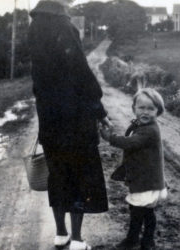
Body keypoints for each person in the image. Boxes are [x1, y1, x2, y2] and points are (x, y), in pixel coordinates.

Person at [28, 0, 112, 249]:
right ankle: (76, 239)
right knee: (80, 177)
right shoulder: (63, 24)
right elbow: (80, 72)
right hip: (75, 119)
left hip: (50, 117)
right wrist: (99, 110)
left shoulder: (35, 25)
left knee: (58, 176)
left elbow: (38, 77)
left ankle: (61, 234)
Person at [100, 88, 168, 250]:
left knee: (139, 211)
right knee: (144, 210)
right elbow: (131, 138)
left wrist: (110, 137)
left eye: (151, 109)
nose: (145, 112)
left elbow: (130, 143)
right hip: (146, 178)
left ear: (158, 111)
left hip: (147, 180)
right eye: (141, 108)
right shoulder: (141, 125)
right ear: (134, 108)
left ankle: (136, 240)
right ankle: (146, 240)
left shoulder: (150, 130)